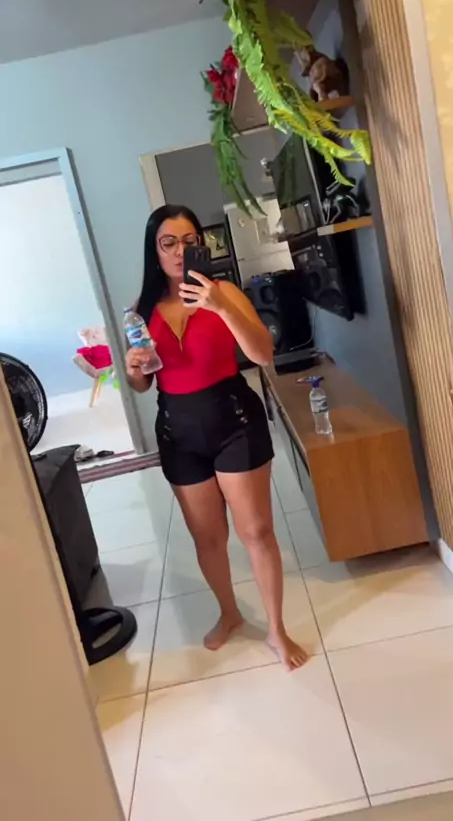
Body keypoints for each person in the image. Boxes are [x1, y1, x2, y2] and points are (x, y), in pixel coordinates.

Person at [126, 205, 307, 671]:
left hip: (234, 421)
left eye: (189, 241)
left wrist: (220, 307)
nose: (179, 251)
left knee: (256, 532)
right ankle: (229, 613)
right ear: (154, 250)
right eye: (168, 242)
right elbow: (143, 383)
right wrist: (134, 370)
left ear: (201, 246)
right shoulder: (142, 311)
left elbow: (263, 354)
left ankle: (276, 629)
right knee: (207, 538)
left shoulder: (224, 293)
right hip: (178, 431)